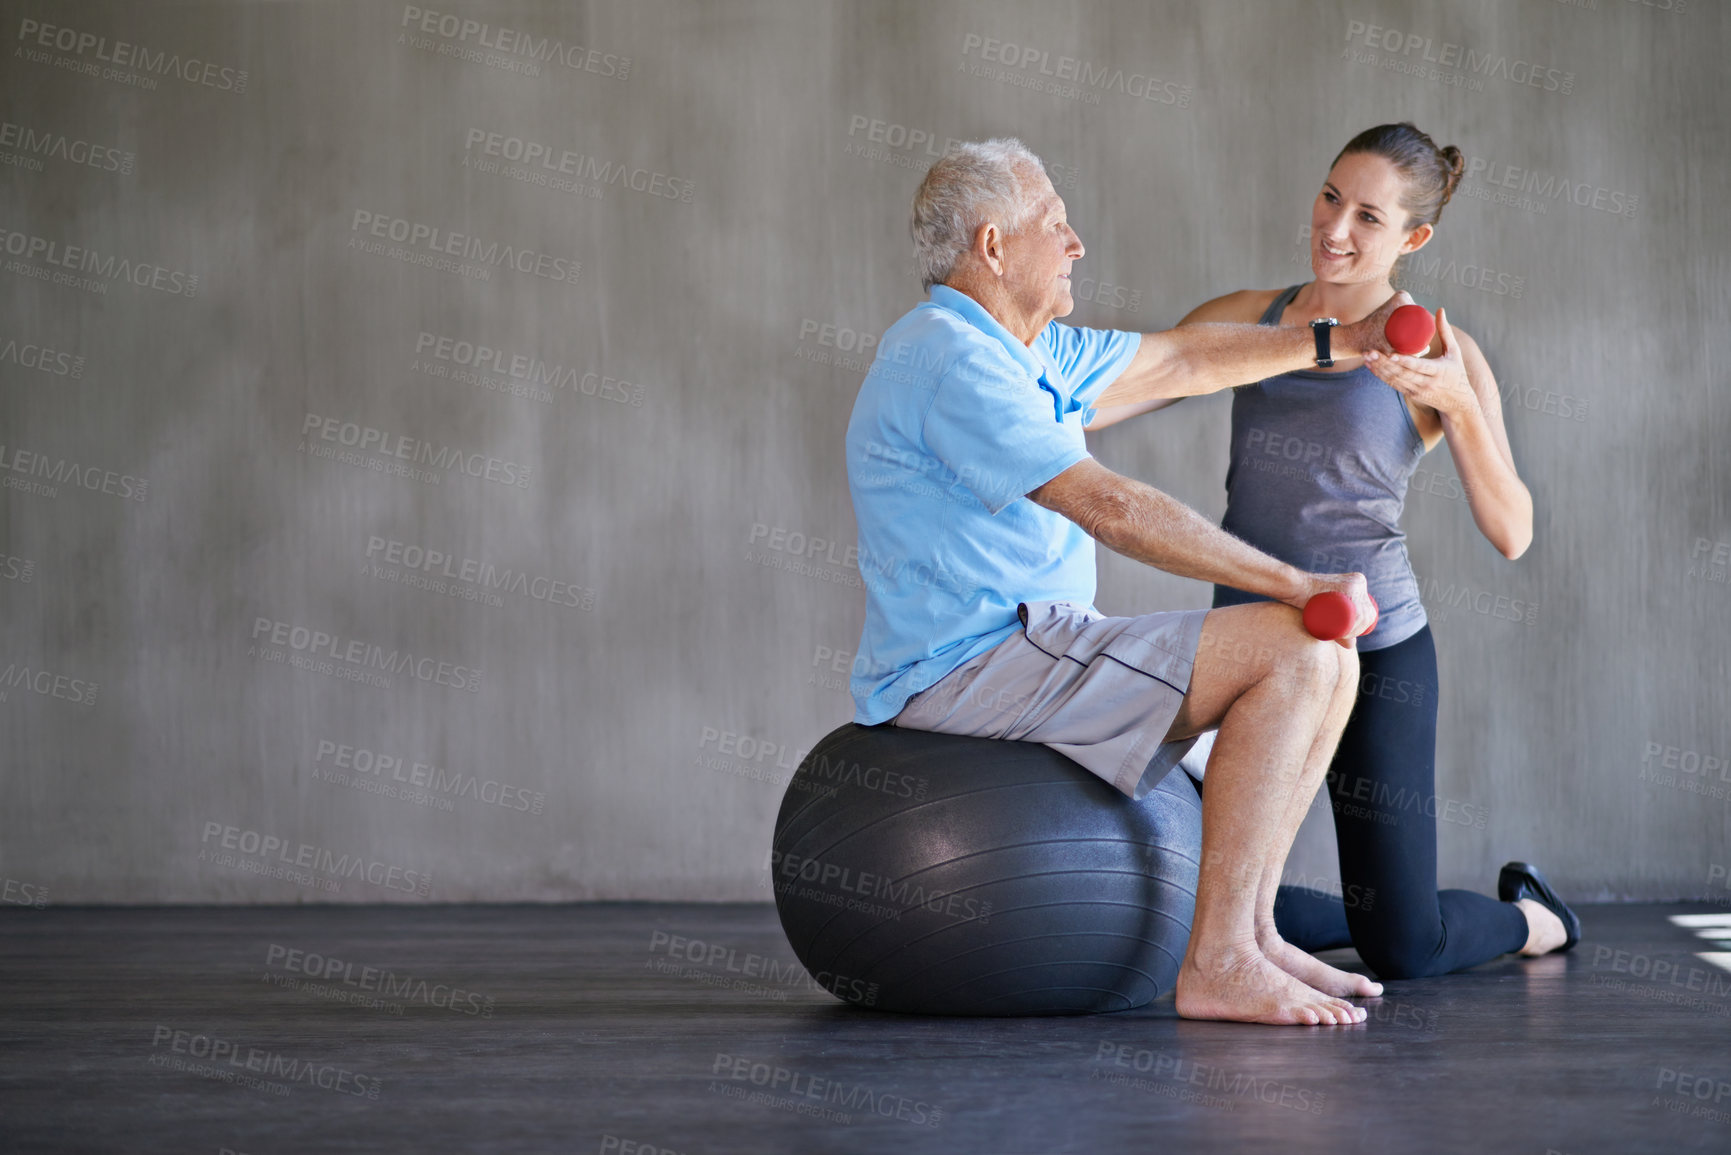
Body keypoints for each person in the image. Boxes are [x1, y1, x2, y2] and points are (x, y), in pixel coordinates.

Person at [847, 137, 1405, 1026]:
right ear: (993, 247)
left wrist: (1341, 338)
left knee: (1327, 652)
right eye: (1055, 226)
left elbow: (1184, 359)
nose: (1075, 245)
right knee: (1295, 649)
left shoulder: (1028, 352)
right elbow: (1109, 508)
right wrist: (1293, 581)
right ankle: (1217, 959)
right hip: (968, 666)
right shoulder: (948, 358)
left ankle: (1252, 935)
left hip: (1034, 642)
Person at [1174, 122, 1580, 978]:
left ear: (1412, 238)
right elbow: (1130, 376)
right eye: (1329, 197)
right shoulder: (1245, 319)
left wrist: (1458, 404)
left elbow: (1512, 532)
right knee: (1194, 893)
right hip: (1246, 644)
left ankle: (1533, 919)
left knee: (1400, 943)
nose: (1334, 229)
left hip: (1374, 647)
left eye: (1367, 216)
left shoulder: (1440, 351)